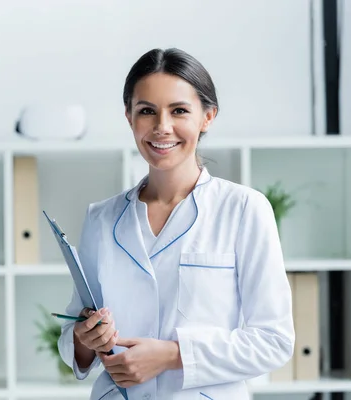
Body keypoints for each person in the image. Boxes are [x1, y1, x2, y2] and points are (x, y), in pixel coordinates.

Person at [57, 48, 295, 400]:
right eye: (146, 111)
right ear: (129, 117)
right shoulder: (101, 218)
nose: (161, 127)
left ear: (207, 116)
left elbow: (273, 341)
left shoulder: (244, 209)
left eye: (179, 110)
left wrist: (172, 356)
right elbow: (75, 338)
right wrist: (85, 338)